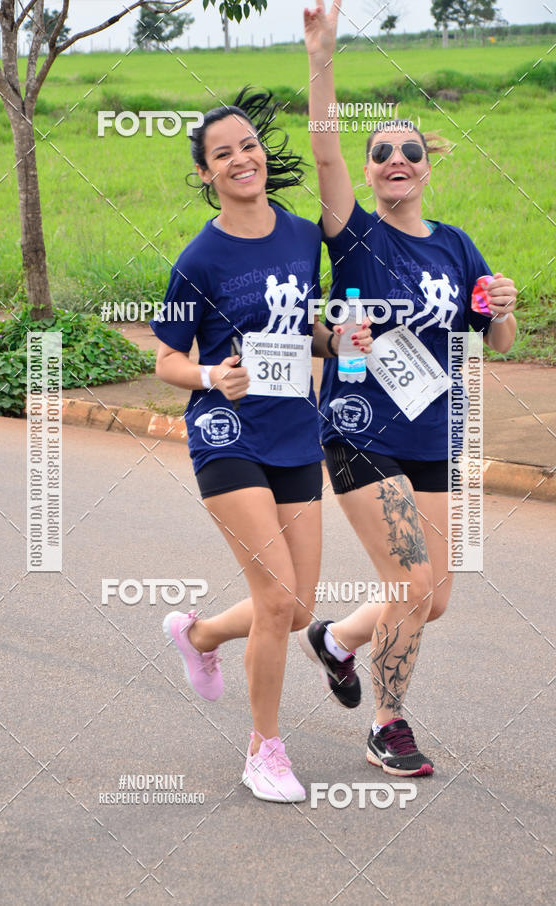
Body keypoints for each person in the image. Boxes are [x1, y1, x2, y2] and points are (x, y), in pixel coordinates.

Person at [300, 1, 518, 777]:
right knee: (410, 580)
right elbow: (323, 152)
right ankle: (388, 723)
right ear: (368, 169)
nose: (397, 159)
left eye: (410, 151)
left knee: (436, 597)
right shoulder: (356, 234)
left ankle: (336, 640)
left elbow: (493, 339)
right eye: (382, 151)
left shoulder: (457, 245)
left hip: (433, 435)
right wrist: (323, 57)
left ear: (427, 166)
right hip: (360, 429)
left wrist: (505, 311)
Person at [152, 89, 372, 802]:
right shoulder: (200, 257)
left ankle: (203, 635)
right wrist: (212, 373)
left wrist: (335, 338)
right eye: (223, 154)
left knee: (297, 608)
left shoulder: (302, 235)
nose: (241, 158)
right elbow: (166, 361)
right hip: (225, 432)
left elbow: (302, 324)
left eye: (247, 146)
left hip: (293, 430)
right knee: (277, 596)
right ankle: (264, 751)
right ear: (205, 175)